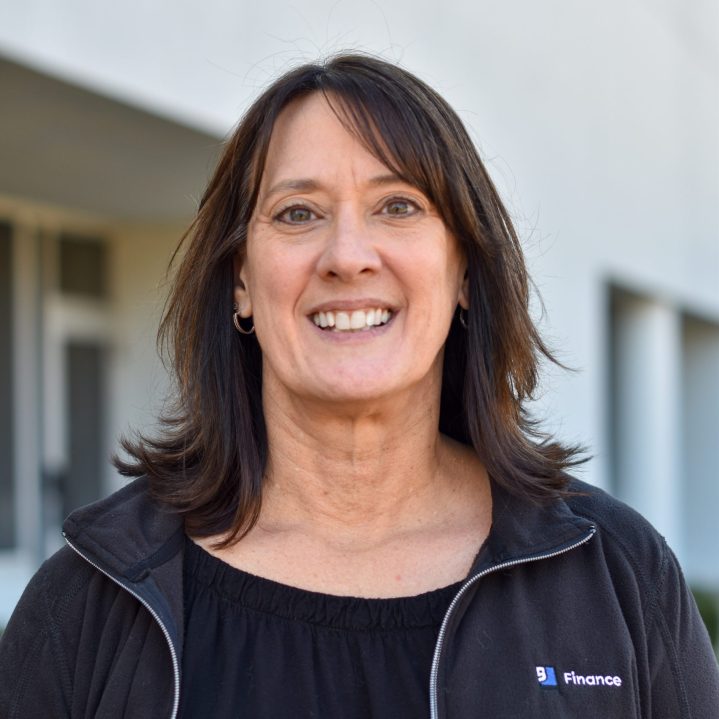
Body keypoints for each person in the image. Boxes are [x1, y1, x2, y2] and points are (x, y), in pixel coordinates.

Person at [0, 53, 717, 719]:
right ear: (241, 281)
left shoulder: (615, 575)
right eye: (297, 213)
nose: (346, 256)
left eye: (397, 206)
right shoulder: (91, 599)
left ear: (463, 268)